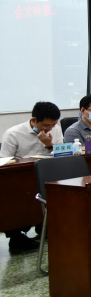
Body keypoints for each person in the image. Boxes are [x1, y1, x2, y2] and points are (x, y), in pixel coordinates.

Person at [1, 102, 64, 252]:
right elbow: (4, 162)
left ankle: (45, 225)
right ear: (34, 120)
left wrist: (49, 145)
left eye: (52, 125)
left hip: (49, 173)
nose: (49, 129)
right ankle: (16, 234)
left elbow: (61, 155)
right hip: (21, 178)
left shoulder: (56, 130)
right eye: (46, 125)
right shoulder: (13, 133)